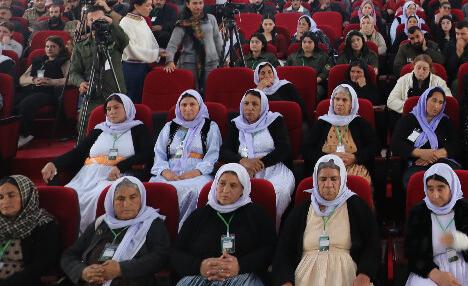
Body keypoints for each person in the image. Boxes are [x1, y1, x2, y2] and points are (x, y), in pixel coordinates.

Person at [156, 164, 276, 286]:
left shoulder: (256, 214)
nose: (226, 190)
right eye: (222, 183)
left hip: (243, 277)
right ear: (215, 184)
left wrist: (241, 265)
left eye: (233, 185)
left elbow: (269, 249)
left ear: (243, 189)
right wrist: (200, 266)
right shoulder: (199, 215)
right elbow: (177, 253)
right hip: (199, 277)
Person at [268, 155, 382, 286]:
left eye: (334, 179)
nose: (328, 184)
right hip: (305, 280)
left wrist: (364, 275)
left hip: (347, 279)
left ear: (342, 180)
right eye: (323, 179)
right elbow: (284, 250)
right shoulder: (301, 210)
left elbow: (372, 244)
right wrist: (284, 282)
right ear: (316, 180)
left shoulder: (357, 206)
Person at [53, 177, 169, 286]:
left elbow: (160, 255)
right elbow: (69, 255)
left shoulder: (152, 223)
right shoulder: (101, 223)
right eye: (120, 199)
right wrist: (83, 272)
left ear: (141, 199)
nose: (126, 204)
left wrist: (121, 269)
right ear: (111, 202)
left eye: (133, 197)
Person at [41, 94, 153, 230]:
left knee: (97, 196)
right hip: (87, 177)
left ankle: (91, 233)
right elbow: (78, 152)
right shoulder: (99, 130)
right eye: (108, 109)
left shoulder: (138, 129)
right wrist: (54, 163)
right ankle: (70, 233)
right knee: (71, 195)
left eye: (116, 107)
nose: (112, 112)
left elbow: (147, 153)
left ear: (127, 109)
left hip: (117, 176)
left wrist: (121, 166)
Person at [220, 90, 294, 223]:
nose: (249, 108)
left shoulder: (274, 120)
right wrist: (243, 161)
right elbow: (224, 151)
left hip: (272, 167)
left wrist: (259, 164)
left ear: (263, 106)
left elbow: (284, 148)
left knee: (279, 191)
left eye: (255, 104)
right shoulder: (236, 123)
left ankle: (271, 227)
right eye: (246, 103)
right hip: (243, 169)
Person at [149, 90, 221, 226]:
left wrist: (194, 173)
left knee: (194, 190)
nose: (188, 109)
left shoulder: (210, 127)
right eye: (184, 105)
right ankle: (160, 228)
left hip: (198, 174)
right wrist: (165, 172)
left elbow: (212, 155)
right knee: (155, 188)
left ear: (200, 106)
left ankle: (185, 228)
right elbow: (159, 153)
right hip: (170, 173)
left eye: (192, 104)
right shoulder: (170, 127)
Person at [0, 175, 59, 286]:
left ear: (26, 195)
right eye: (0, 197)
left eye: (11, 195)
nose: (5, 201)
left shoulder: (42, 224)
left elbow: (42, 267)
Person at [303, 84, 379, 188]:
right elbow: (307, 148)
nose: (339, 103)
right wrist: (327, 158)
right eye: (337, 99)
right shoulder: (322, 123)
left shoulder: (360, 123)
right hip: (325, 167)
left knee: (359, 185)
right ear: (332, 101)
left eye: (344, 100)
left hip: (354, 167)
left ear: (351, 104)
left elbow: (375, 146)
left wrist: (355, 157)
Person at [68, 9, 130, 130]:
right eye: (92, 20)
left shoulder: (114, 41)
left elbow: (125, 40)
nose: (96, 22)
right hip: (93, 93)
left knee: (119, 125)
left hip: (114, 91)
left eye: (100, 19)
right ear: (87, 23)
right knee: (85, 125)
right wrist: (80, 83)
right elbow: (74, 72)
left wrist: (111, 23)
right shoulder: (81, 46)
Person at [392, 87, 462, 187]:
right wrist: (421, 153)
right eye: (434, 100)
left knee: (457, 177)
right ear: (424, 100)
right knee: (414, 179)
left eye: (440, 103)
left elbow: (456, 145)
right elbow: (395, 144)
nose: (436, 106)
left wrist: (434, 155)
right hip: (416, 163)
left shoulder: (445, 121)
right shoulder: (408, 120)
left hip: (442, 161)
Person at [14, 35, 69, 148]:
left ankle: (25, 135)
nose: (49, 49)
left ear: (60, 48)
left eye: (53, 46)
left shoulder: (65, 61)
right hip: (32, 89)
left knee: (28, 103)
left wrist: (51, 82)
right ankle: (12, 135)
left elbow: (70, 79)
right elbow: (22, 79)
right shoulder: (38, 60)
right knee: (13, 101)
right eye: (47, 46)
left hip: (51, 93)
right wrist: (33, 80)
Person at [164, 0, 223, 93]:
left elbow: (217, 40)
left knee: (210, 92)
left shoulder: (211, 19)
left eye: (200, 3)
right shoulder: (182, 23)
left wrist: (222, 57)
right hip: (190, 63)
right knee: (192, 93)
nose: (198, 6)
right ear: (187, 4)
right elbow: (172, 45)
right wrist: (169, 61)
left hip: (211, 62)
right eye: (195, 3)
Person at [117, 0, 160, 103]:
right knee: (132, 100)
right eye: (147, 5)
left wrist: (158, 52)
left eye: (151, 5)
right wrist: (155, 53)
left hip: (143, 66)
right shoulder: (126, 22)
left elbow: (151, 42)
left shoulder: (141, 20)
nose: (150, 8)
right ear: (136, 6)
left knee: (141, 100)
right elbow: (129, 48)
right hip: (132, 68)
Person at [387, 54, 452, 115]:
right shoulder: (403, 80)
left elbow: (449, 101)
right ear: (413, 67)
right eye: (418, 68)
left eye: (424, 69)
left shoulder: (439, 82)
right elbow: (391, 101)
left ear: (429, 69)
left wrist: (430, 108)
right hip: (409, 116)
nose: (421, 72)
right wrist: (413, 107)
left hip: (431, 117)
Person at [285, 32, 332, 100]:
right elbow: (286, 72)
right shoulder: (293, 57)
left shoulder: (323, 57)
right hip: (295, 84)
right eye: (304, 42)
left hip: (315, 84)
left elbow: (325, 72)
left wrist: (312, 82)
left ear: (315, 44)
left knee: (317, 91)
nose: (306, 45)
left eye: (310, 42)